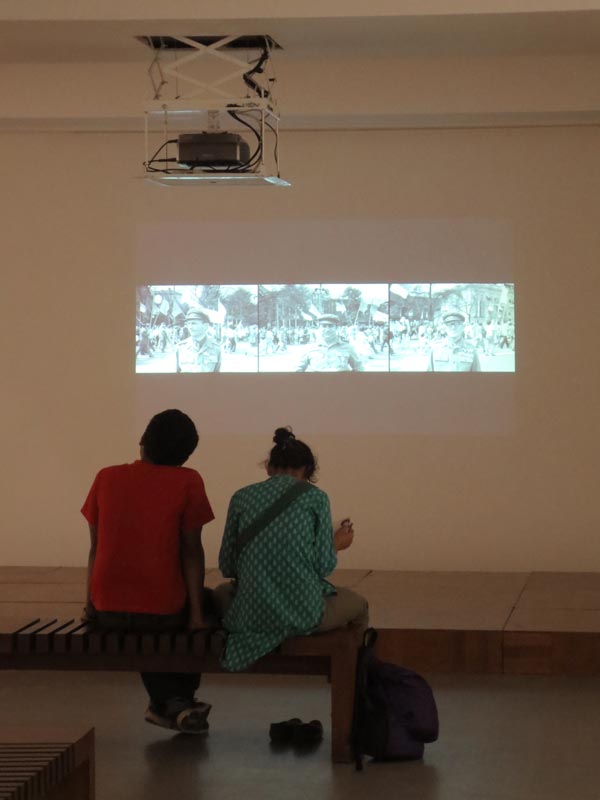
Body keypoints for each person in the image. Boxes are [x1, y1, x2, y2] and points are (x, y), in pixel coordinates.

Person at [81, 409, 215, 734]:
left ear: (143, 441)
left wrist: (90, 606)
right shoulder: (188, 481)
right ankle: (173, 702)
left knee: (153, 613)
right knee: (207, 604)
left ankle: (170, 704)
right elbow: (191, 551)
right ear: (186, 455)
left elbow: (96, 548)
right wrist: (197, 616)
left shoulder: (106, 477)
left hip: (107, 610)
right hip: (161, 613)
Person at [217, 427, 368, 672]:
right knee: (360, 606)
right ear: (307, 471)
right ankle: (355, 677)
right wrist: (337, 543)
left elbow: (227, 565)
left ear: (269, 467)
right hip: (303, 615)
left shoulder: (241, 497)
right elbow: (323, 566)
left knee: (221, 593)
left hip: (249, 616)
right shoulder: (316, 498)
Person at [296, 314, 364, 371]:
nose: (327, 329)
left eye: (330, 326)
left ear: (336, 328)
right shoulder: (309, 348)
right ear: (319, 328)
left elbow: (359, 368)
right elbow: (297, 369)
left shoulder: (348, 348)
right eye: (324, 326)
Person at [428, 303, 481, 372]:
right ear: (444, 327)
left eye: (457, 324)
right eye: (449, 324)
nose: (453, 327)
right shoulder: (436, 348)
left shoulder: (471, 350)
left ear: (463, 327)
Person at [176, 307, 221, 372]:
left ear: (205, 326)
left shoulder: (216, 349)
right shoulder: (180, 348)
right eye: (188, 323)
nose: (190, 327)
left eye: (194, 323)